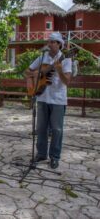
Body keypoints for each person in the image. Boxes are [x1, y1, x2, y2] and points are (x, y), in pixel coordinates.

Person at [25, 32, 72, 169]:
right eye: (49, 41)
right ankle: (41, 154)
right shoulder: (42, 57)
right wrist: (38, 74)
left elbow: (67, 81)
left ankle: (54, 157)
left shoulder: (66, 60)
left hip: (58, 99)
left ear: (59, 44)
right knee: (41, 128)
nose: (50, 44)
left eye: (53, 42)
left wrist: (59, 70)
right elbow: (27, 72)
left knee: (57, 129)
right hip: (42, 96)